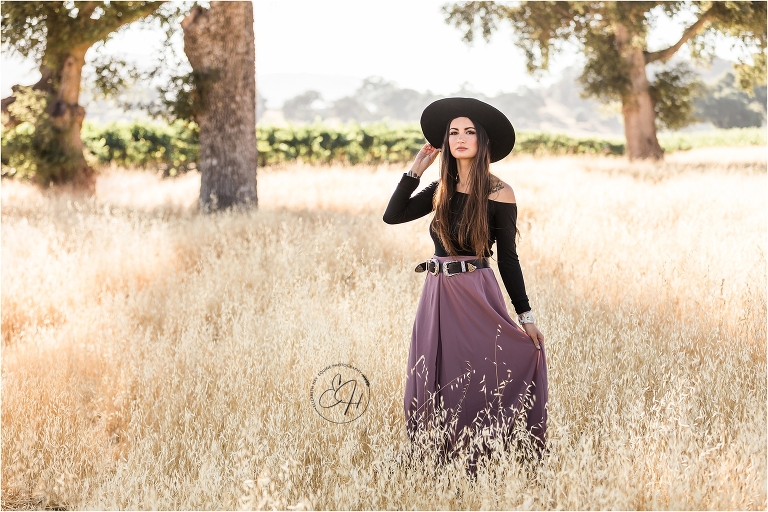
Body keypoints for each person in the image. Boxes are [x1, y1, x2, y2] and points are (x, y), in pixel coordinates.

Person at [382, 97, 548, 475]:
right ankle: (433, 456)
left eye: (469, 132)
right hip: (436, 292)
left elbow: (508, 259)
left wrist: (526, 315)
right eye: (453, 132)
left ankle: (486, 454)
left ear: (482, 140)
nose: (460, 138)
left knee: (476, 372)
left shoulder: (500, 192)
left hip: (475, 290)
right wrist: (415, 169)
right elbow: (393, 216)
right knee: (431, 371)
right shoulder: (441, 186)